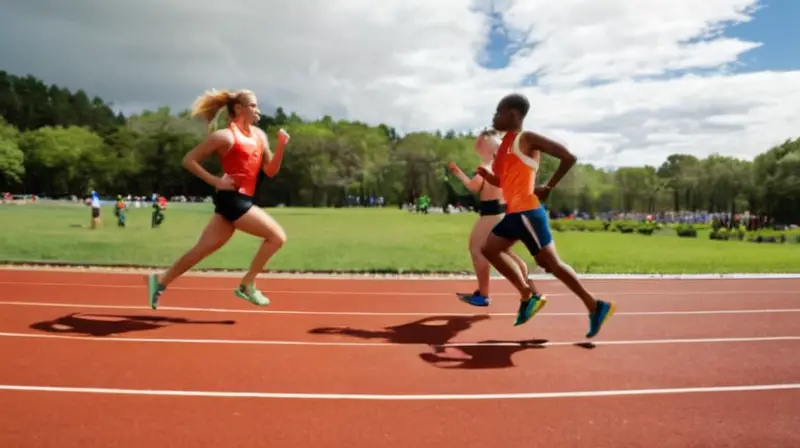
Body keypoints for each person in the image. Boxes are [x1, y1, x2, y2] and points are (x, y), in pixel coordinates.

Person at [475, 93, 615, 339]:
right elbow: (504, 181)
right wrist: (488, 177)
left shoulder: (526, 139)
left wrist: (549, 187)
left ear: (513, 114)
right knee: (490, 249)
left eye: (498, 112)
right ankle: (530, 295)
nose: (494, 117)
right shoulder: (504, 146)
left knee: (551, 264)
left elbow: (568, 157)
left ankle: (592, 305)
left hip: (527, 212)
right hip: (515, 213)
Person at [145, 88, 290, 310]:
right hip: (232, 199)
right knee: (277, 237)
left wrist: (281, 146)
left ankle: (160, 282)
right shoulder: (224, 137)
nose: (258, 110)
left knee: (202, 249)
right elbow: (189, 160)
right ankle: (247, 284)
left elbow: (270, 171)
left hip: (242, 199)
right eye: (253, 106)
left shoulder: (259, 136)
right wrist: (216, 181)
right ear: (239, 108)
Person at [447, 130, 530, 306]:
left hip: (491, 215)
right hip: (503, 213)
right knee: (504, 251)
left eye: (481, 142)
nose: (477, 144)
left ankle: (484, 294)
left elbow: (473, 187)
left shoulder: (486, 167)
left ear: (488, 148)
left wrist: (458, 174)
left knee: (477, 249)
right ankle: (528, 288)